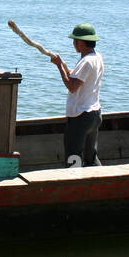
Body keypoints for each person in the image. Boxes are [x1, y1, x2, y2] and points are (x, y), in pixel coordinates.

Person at [51, 22, 104, 166]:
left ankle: (73, 183)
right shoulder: (96, 57)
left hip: (81, 116)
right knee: (90, 156)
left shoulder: (86, 61)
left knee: (73, 158)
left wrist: (59, 67)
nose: (73, 43)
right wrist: (62, 64)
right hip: (94, 113)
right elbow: (75, 77)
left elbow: (72, 86)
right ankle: (101, 181)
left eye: (75, 40)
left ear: (81, 42)